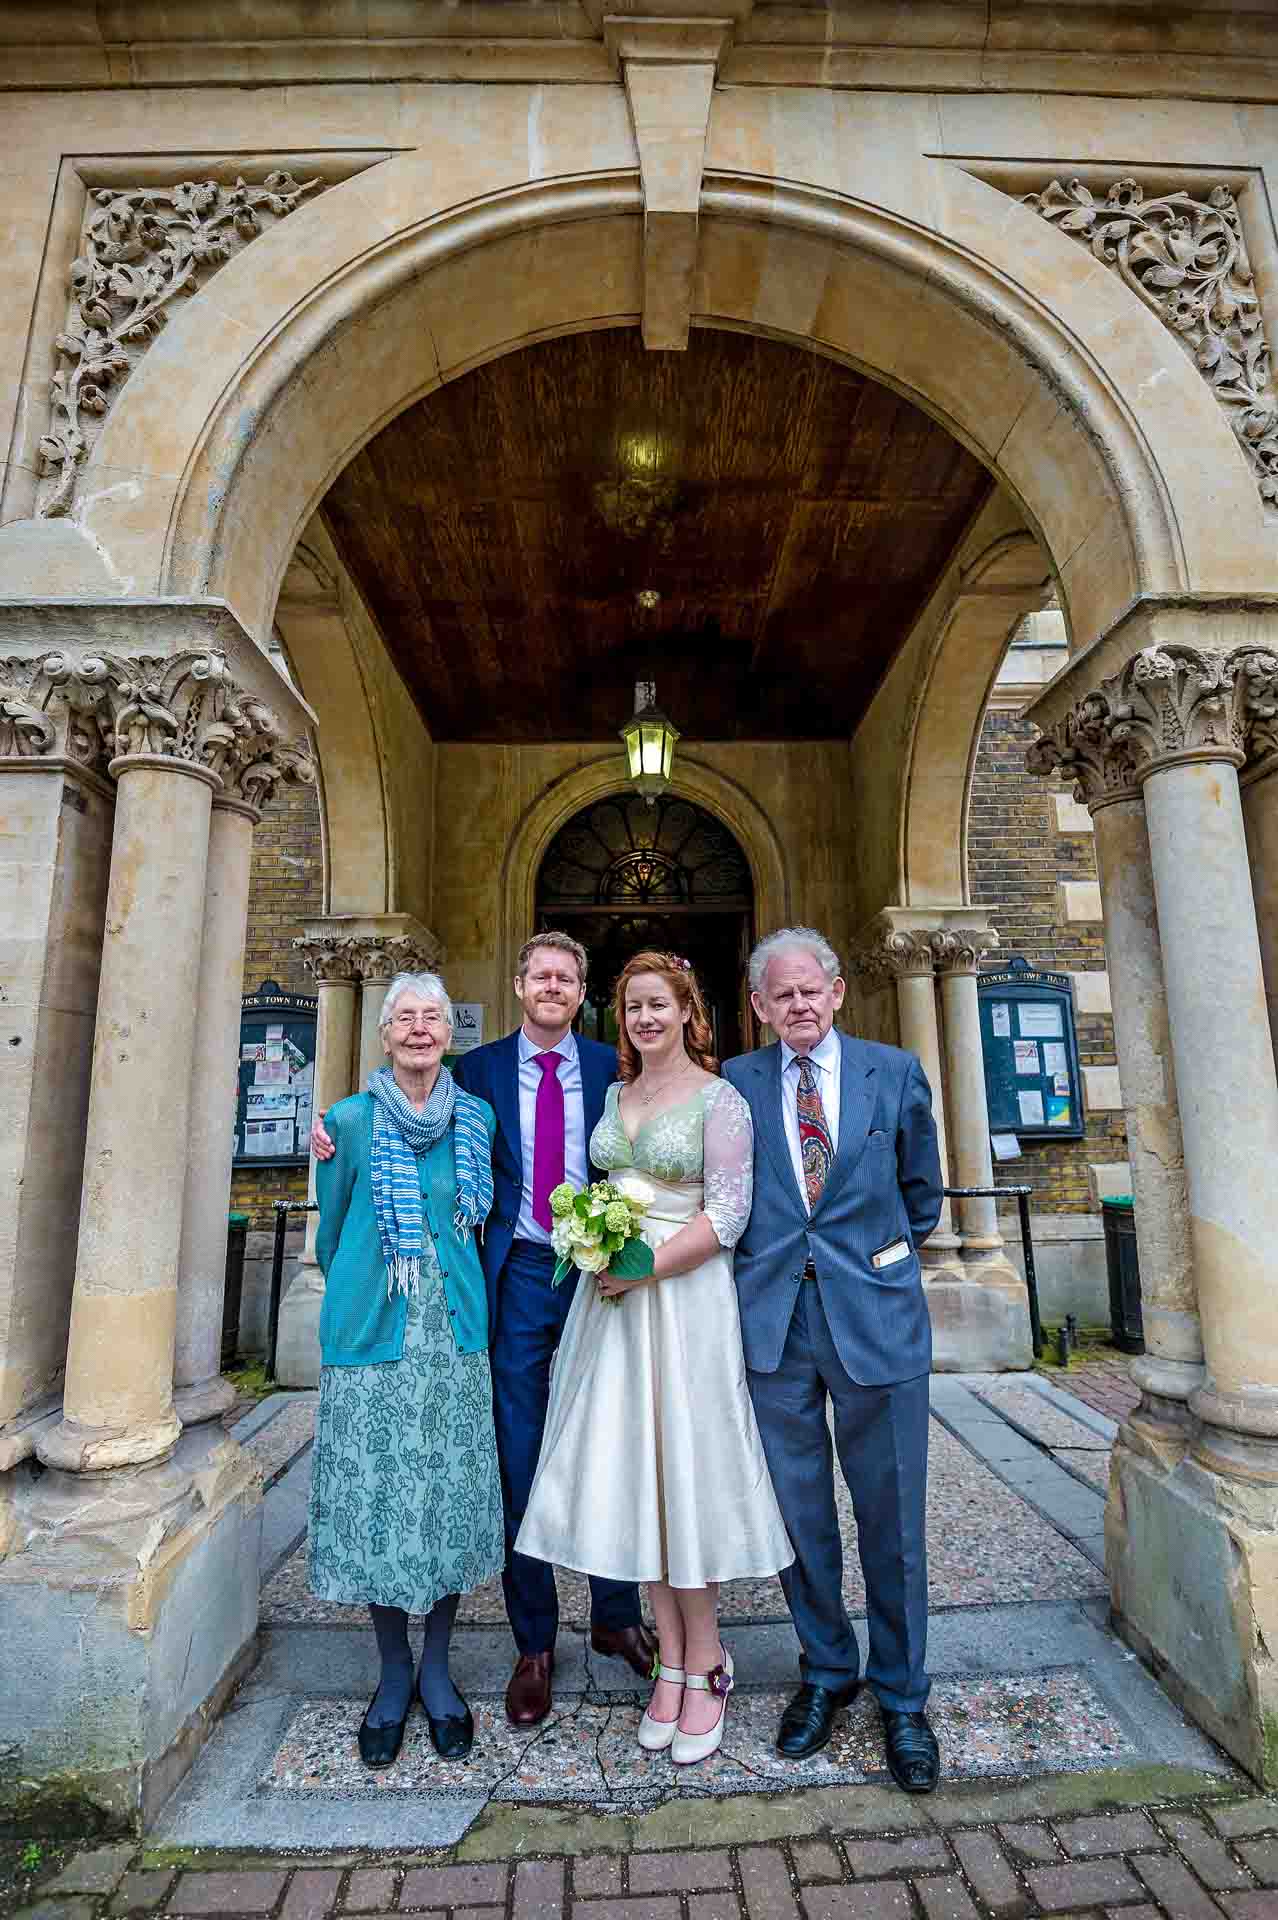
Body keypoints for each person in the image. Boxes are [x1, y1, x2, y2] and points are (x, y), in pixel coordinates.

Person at [312, 931, 655, 1727]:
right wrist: (328, 1136)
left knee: (611, 1439)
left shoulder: (614, 1068)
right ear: (518, 983)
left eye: (566, 978)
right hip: (518, 1276)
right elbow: (360, 1186)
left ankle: (616, 1614)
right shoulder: (481, 1073)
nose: (552, 987)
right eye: (539, 975)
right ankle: (533, 1641)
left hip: (600, 1272)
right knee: (518, 1451)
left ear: (580, 990)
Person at [516, 951, 791, 1765]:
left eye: (658, 1005)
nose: (644, 1018)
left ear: (687, 1011)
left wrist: (639, 1269)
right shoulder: (615, 1093)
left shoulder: (721, 1099)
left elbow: (728, 1217)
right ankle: (669, 1659)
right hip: (612, 1316)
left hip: (682, 1306)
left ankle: (706, 1660)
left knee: (686, 1479)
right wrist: (595, 1251)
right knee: (640, 1479)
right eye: (632, 1006)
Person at [722, 927, 945, 1794]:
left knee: (892, 1522)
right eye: (781, 995)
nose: (799, 1005)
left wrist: (871, 1265)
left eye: (811, 990)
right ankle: (826, 1671)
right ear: (760, 1007)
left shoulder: (893, 1072)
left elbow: (921, 1192)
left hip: (877, 1324)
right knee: (798, 1515)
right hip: (774, 1327)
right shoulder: (735, 1086)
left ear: (839, 991)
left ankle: (902, 1696)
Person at [308, 971, 502, 1770]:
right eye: (405, 1020)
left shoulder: (479, 1118)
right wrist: (370, 1286)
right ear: (384, 1036)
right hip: (374, 1333)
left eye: (432, 1018)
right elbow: (331, 1234)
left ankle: (439, 1670)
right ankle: (393, 1675)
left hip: (453, 1338)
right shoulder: (347, 1123)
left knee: (447, 1500)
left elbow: (481, 1225)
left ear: (447, 1035)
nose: (420, 1031)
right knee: (381, 1503)